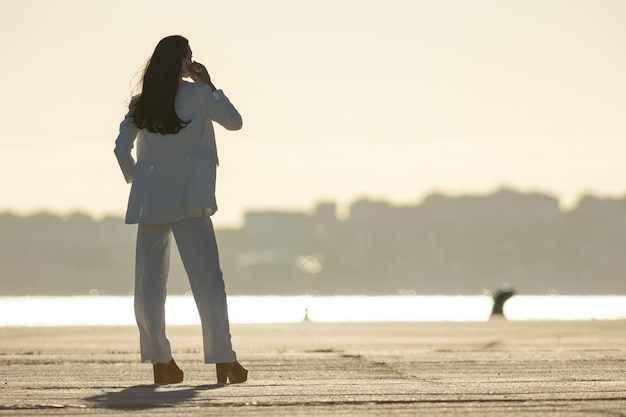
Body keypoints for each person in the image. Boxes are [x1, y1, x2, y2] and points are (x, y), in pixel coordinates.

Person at [114, 35, 247, 385]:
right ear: (184, 62)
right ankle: (223, 361)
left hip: (150, 202)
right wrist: (209, 83)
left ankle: (161, 361)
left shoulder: (141, 102)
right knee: (208, 283)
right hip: (191, 200)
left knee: (148, 286)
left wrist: (137, 178)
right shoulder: (201, 96)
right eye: (190, 56)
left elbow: (120, 149)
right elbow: (234, 122)